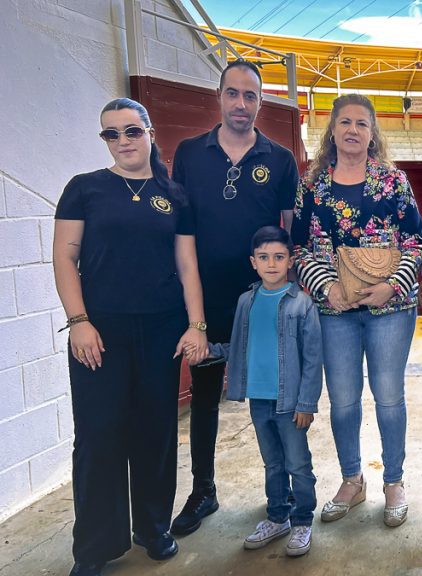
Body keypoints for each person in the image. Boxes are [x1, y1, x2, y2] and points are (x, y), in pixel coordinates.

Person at [54, 98, 209, 576]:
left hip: (160, 329)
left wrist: (196, 325)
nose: (123, 141)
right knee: (99, 437)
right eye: (111, 134)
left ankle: (152, 526)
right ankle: (95, 548)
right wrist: (78, 320)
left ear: (149, 132)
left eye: (131, 131)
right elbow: (64, 258)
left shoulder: (174, 195)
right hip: (100, 333)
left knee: (156, 431)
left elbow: (187, 266)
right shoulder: (85, 190)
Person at [170, 60, 300, 536]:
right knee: (205, 396)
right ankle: (203, 491)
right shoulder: (188, 153)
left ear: (260, 102)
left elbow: (293, 230)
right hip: (206, 301)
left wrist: (291, 291)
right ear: (219, 97)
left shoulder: (281, 159)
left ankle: (281, 498)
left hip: (263, 302)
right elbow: (180, 231)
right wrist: (192, 311)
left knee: (270, 398)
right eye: (233, 94)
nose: (241, 104)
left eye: (250, 96)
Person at [292, 94, 422, 528]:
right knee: (344, 401)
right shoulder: (311, 187)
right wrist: (325, 286)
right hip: (334, 311)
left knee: (388, 398)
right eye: (344, 122)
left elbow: (414, 243)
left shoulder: (392, 182)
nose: (352, 130)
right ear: (332, 130)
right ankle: (353, 479)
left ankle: (394, 482)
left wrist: (391, 285)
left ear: (372, 133)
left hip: (390, 308)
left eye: (361, 124)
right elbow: (297, 249)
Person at [205, 226, 323, 557]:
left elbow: (313, 360)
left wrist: (306, 402)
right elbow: (240, 345)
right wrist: (209, 350)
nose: (271, 263)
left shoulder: (302, 304)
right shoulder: (246, 301)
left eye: (279, 257)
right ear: (253, 262)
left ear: (290, 261)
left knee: (297, 464)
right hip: (259, 399)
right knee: (272, 462)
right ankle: (277, 517)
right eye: (264, 257)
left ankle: (302, 521)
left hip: (290, 403)